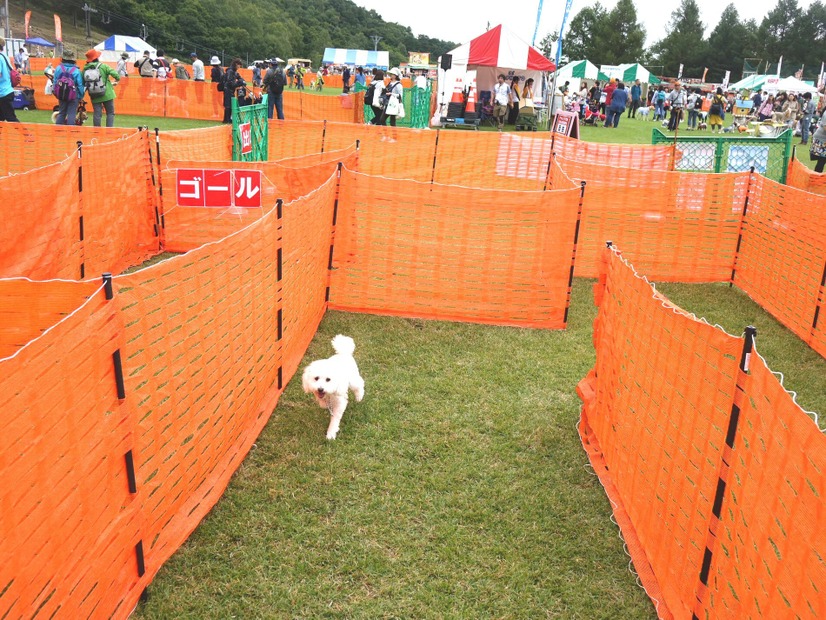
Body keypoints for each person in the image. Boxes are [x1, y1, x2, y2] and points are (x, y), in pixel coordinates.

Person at [83, 49, 120, 127]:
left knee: (97, 114)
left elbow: (83, 81)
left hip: (94, 94)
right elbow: (116, 75)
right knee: (110, 113)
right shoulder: (103, 66)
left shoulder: (85, 69)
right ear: (97, 57)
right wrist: (116, 80)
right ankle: (109, 131)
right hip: (107, 93)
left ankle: (97, 131)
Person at [53, 49, 85, 125]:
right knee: (72, 113)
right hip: (74, 95)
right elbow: (80, 85)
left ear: (63, 58)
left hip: (61, 95)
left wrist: (56, 93)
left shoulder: (58, 68)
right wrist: (81, 96)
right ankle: (70, 132)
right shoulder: (76, 71)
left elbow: (55, 82)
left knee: (61, 113)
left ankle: (58, 130)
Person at [377, 67, 403, 131]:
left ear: (396, 75)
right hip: (388, 103)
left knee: (392, 121)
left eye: (392, 74)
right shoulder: (390, 83)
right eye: (391, 74)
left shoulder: (398, 84)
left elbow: (400, 96)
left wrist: (391, 94)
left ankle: (394, 136)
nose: (391, 75)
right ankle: (387, 135)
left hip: (393, 104)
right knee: (382, 119)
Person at [0, 37, 19, 122]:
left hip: (3, 93)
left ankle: (27, 135)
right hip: (7, 91)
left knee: (11, 118)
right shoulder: (4, 56)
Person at [222, 57, 244, 123]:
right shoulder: (230, 71)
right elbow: (230, 83)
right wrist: (239, 83)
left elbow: (240, 78)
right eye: (239, 65)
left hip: (231, 90)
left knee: (230, 105)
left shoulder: (234, 71)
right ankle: (227, 119)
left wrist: (241, 81)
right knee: (228, 105)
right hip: (228, 89)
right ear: (236, 64)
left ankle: (227, 119)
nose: (239, 67)